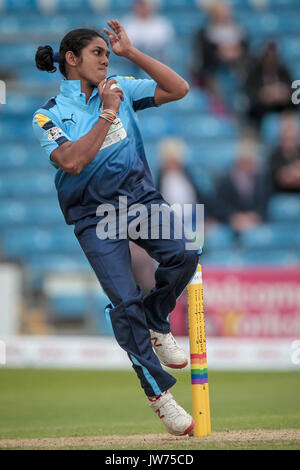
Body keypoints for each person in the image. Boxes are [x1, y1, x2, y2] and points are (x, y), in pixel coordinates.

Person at [33, 22, 199, 436]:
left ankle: (157, 320)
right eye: (98, 53)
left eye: (108, 53)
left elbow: (179, 89)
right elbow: (72, 162)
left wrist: (132, 53)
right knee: (125, 304)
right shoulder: (49, 114)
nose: (106, 60)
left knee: (186, 254)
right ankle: (160, 396)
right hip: (93, 215)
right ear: (71, 59)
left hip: (138, 199)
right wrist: (107, 112)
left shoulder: (119, 83)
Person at [192, 0, 248, 110]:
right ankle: (220, 108)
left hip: (236, 68)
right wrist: (221, 53)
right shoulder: (206, 31)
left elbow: (245, 49)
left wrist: (233, 53)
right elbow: (205, 52)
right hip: (213, 70)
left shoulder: (238, 30)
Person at [214, 140, 269, 233]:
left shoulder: (261, 179)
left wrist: (255, 215)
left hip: (256, 221)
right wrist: (234, 216)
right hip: (232, 222)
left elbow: (264, 201)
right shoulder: (226, 180)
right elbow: (220, 204)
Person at [244, 40, 294, 129]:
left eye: (274, 57)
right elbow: (248, 92)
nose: (270, 60)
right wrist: (263, 94)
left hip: (282, 108)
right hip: (262, 111)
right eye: (267, 56)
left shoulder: (284, 72)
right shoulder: (254, 73)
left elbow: (292, 90)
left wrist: (284, 93)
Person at [122, 0, 174, 68]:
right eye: (140, 5)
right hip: (131, 61)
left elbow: (164, 45)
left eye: (144, 5)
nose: (142, 8)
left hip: (155, 59)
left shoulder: (162, 23)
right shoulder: (127, 21)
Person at [269, 114, 300, 194]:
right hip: (280, 194)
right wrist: (294, 169)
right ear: (280, 140)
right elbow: (281, 179)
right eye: (286, 139)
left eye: (292, 139)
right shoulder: (274, 155)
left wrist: (288, 172)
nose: (289, 142)